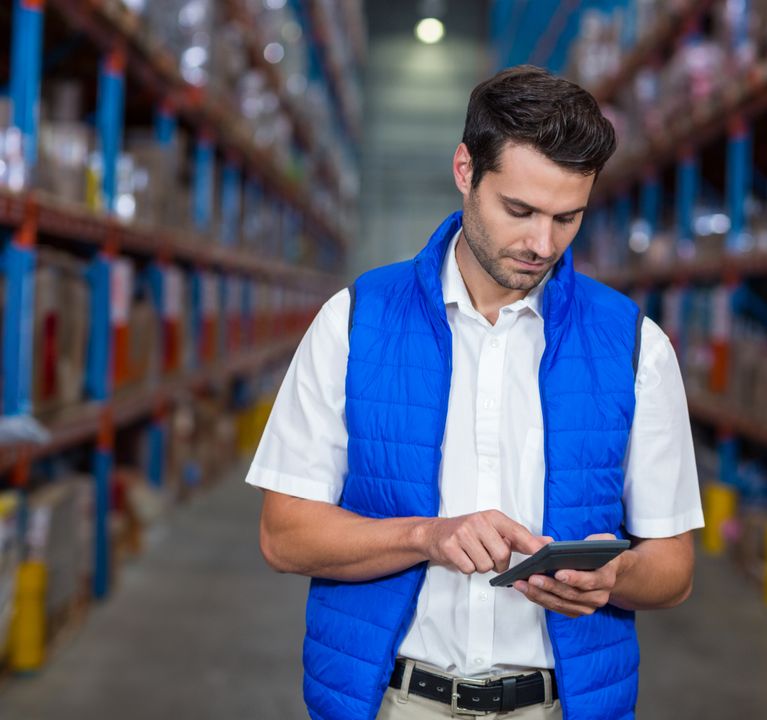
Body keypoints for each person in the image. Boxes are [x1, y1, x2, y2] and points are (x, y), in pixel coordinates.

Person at [247, 65, 703, 720]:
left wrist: (615, 577)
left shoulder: (636, 347)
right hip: (394, 702)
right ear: (466, 169)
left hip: (559, 706)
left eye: (567, 217)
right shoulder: (355, 323)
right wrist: (426, 537)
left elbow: (674, 568)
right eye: (519, 210)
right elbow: (284, 537)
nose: (542, 244)